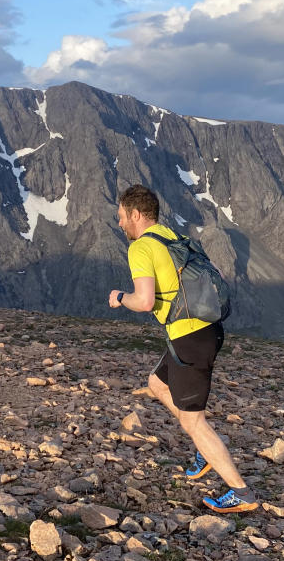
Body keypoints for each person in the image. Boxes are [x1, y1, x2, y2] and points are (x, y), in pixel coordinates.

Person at [107, 184, 258, 513]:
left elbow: (145, 301)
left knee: (194, 422)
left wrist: (120, 297)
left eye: (121, 217)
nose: (119, 224)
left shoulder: (141, 248)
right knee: (157, 384)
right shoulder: (170, 236)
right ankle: (206, 451)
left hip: (189, 337)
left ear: (135, 214)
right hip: (204, 330)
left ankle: (241, 493)